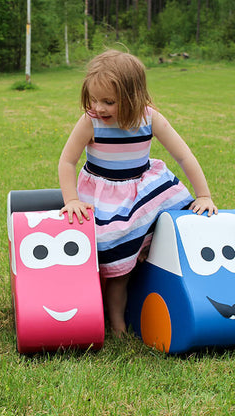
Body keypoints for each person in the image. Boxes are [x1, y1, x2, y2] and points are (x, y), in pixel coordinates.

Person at [58, 50, 217, 336]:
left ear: (134, 96)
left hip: (141, 187)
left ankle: (145, 248)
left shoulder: (150, 118)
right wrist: (71, 199)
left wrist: (203, 194)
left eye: (109, 101)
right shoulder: (90, 121)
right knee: (111, 247)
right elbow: (67, 161)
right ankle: (117, 322)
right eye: (94, 99)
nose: (99, 107)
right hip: (103, 193)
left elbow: (184, 156)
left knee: (178, 211)